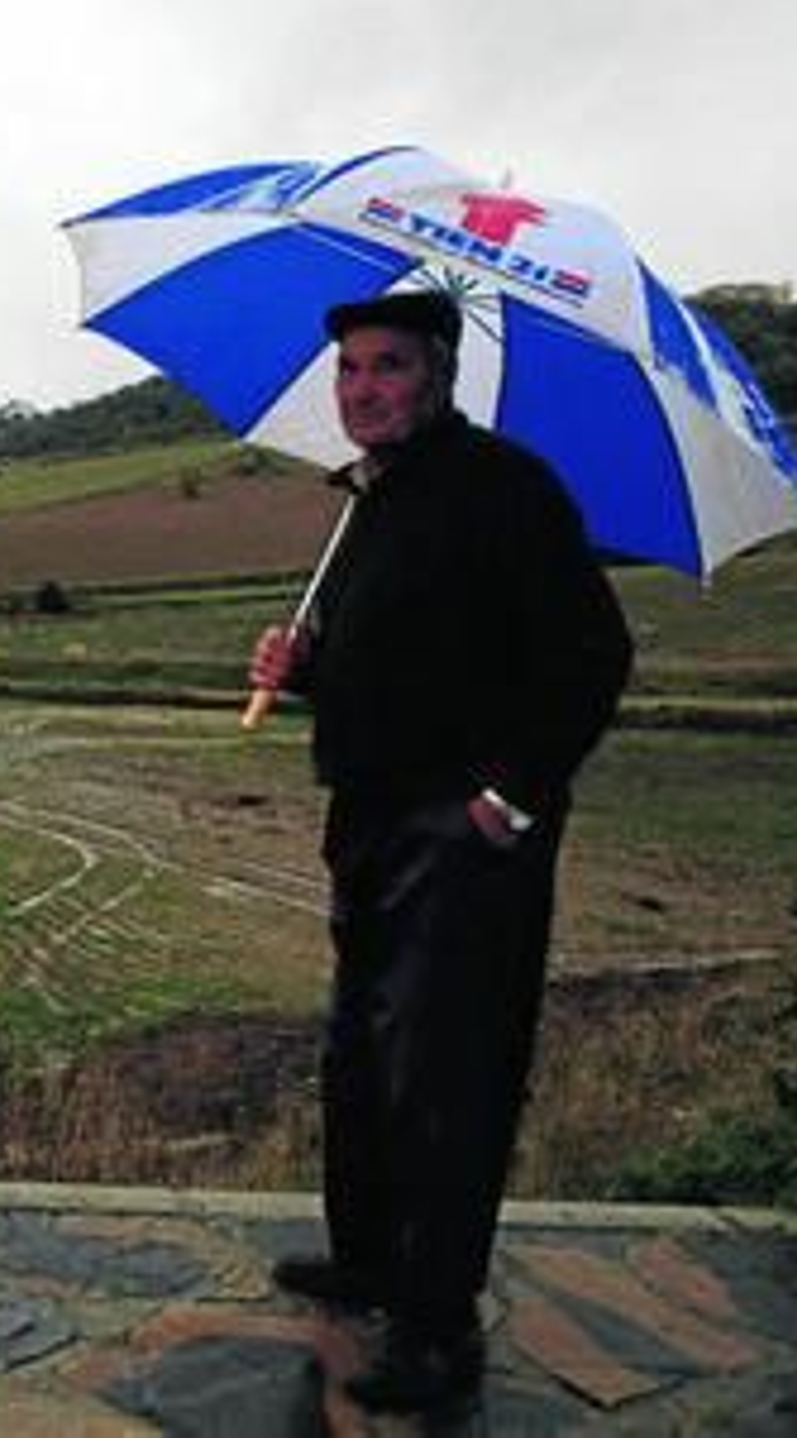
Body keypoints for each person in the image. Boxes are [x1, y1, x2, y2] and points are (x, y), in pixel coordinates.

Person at [248, 290, 634, 1415]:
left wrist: (510, 797)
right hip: (368, 824)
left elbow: (590, 652)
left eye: (388, 367)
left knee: (447, 1078)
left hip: (460, 836)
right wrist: (305, 663)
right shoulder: (374, 501)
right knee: (362, 1058)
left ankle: (436, 1322)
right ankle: (368, 1259)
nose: (362, 389)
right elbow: (416, 661)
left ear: (439, 375)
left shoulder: (504, 488)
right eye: (350, 371)